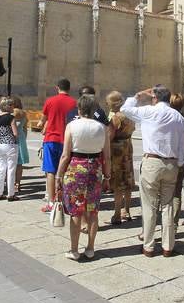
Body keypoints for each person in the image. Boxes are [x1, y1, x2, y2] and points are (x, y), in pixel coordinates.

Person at [121, 85, 184, 257]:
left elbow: (125, 109)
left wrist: (137, 95)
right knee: (167, 206)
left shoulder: (149, 112)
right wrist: (180, 162)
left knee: (149, 206)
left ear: (155, 98)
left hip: (152, 162)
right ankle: (168, 246)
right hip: (171, 164)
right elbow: (182, 144)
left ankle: (148, 246)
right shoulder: (177, 116)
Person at [56, 95, 111, 260]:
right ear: (94, 110)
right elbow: (107, 157)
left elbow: (66, 154)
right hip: (95, 168)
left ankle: (74, 250)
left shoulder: (72, 126)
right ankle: (90, 248)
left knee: (76, 211)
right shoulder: (102, 128)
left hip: (75, 168)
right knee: (93, 211)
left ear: (79, 109)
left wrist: (59, 174)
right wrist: (107, 176)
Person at [39, 79, 77, 212]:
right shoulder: (74, 103)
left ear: (57, 88)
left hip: (51, 139)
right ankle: (66, 201)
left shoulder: (50, 101)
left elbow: (43, 120)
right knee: (66, 171)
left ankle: (51, 201)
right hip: (67, 140)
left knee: (50, 171)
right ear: (69, 88)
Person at [106, 91, 135, 224]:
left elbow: (110, 136)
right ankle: (127, 210)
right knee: (128, 180)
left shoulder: (116, 118)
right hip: (127, 147)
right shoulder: (130, 115)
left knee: (118, 182)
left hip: (117, 151)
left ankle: (117, 214)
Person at [169, 93, 184, 228]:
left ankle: (166, 225)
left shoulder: (166, 122)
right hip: (182, 162)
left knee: (166, 194)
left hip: (169, 162)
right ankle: (173, 224)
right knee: (177, 194)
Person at [0, 97, 20, 201]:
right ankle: (11, 194)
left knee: (1, 169)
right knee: (11, 169)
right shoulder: (11, 118)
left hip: (0, 145)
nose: (13, 107)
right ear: (7, 106)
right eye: (12, 105)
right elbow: (15, 133)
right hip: (10, 145)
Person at [12, 96, 30, 194]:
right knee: (19, 164)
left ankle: (12, 182)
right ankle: (18, 183)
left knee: (11, 163)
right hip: (21, 138)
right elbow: (25, 128)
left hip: (12, 138)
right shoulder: (23, 113)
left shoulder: (11, 113)